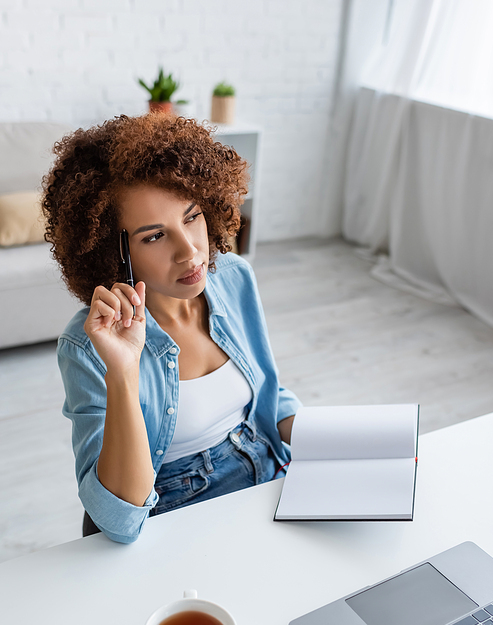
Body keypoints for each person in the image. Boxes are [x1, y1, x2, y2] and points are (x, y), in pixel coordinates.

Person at [42, 113, 301, 544]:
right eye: (154, 236)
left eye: (192, 217)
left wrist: (327, 440)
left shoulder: (233, 276)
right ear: (114, 254)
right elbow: (119, 521)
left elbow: (267, 392)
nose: (190, 251)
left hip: (270, 477)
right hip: (182, 514)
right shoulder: (87, 345)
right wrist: (123, 369)